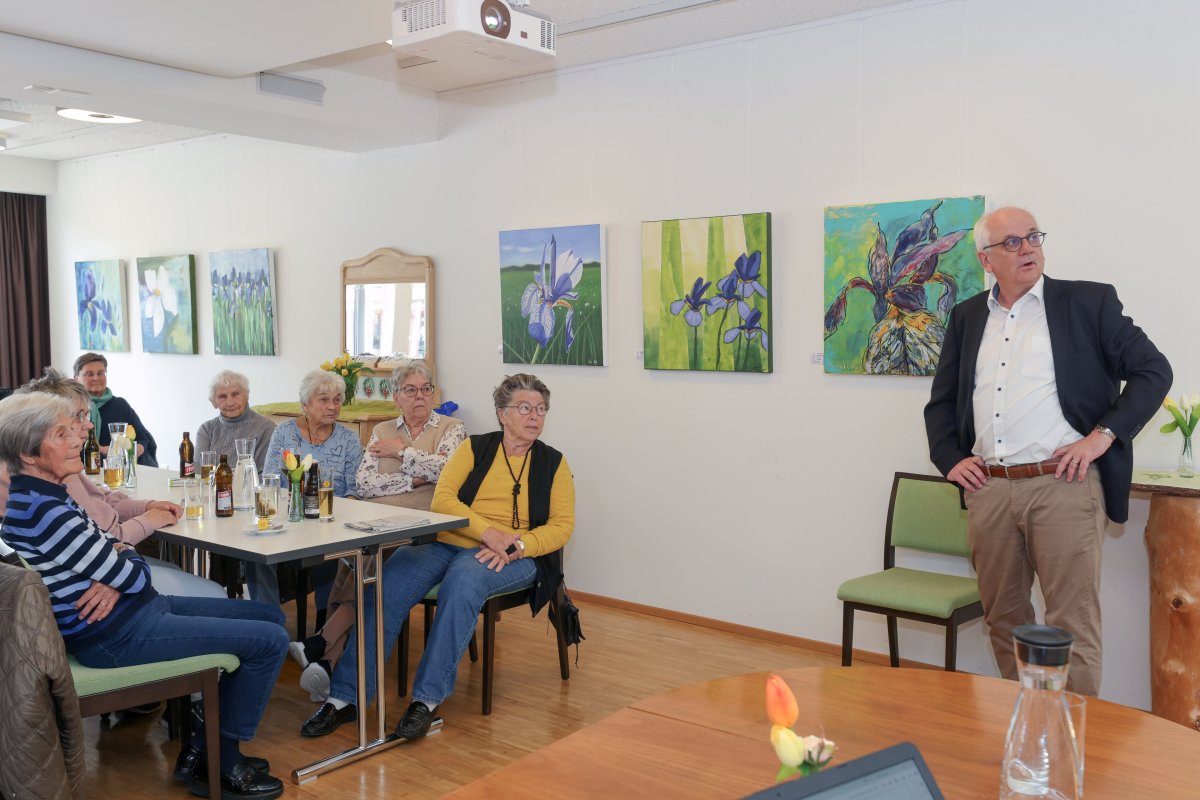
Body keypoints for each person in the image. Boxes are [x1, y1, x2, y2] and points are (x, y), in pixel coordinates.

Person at [924, 206, 1171, 696]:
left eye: (1033, 236)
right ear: (986, 260)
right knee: (1003, 619)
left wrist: (1102, 435)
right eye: (1011, 242)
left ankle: (1070, 734)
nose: (1027, 248)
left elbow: (1153, 371)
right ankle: (1026, 725)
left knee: (1070, 625)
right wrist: (950, 458)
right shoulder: (967, 316)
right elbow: (942, 402)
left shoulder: (1088, 302)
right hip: (991, 490)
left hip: (1063, 485)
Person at [0, 393, 289, 800]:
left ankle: (199, 750)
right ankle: (220, 763)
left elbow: (116, 553)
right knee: (270, 640)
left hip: (133, 613)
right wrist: (120, 566)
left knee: (268, 616)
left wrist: (116, 567)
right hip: (114, 635)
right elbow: (132, 574)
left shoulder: (47, 495)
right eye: (61, 434)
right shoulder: (43, 511)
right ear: (29, 454)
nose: (78, 438)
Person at [300, 373, 574, 740]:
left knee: (463, 581)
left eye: (541, 409)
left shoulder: (554, 464)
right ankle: (345, 697)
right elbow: (443, 500)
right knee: (388, 581)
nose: (534, 416)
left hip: (514, 555)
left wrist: (518, 545)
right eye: (524, 408)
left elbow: (562, 526)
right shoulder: (474, 448)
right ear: (502, 413)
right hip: (450, 541)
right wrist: (487, 532)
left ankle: (426, 700)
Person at [290, 360, 466, 703]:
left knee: (368, 559)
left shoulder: (452, 428)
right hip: (381, 521)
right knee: (358, 555)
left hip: (427, 527)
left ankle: (324, 646)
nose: (420, 396)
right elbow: (366, 484)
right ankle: (327, 663)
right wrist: (415, 478)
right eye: (410, 390)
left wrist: (402, 452)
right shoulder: (382, 430)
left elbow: (447, 470)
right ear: (396, 397)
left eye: (426, 389)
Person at [0, 369, 223, 598]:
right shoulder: (51, 485)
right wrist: (147, 522)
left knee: (174, 570)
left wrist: (146, 506)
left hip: (108, 561)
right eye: (77, 417)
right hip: (105, 571)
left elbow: (103, 500)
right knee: (209, 590)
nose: (89, 425)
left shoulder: (54, 476)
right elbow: (110, 543)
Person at [248, 371, 364, 609]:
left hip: (330, 523)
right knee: (256, 554)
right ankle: (269, 618)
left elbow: (354, 491)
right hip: (288, 520)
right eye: (324, 400)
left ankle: (325, 620)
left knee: (328, 551)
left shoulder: (349, 439)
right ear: (305, 404)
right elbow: (270, 480)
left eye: (337, 400)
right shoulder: (284, 432)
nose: (332, 406)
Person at [74, 352, 158, 467]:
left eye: (100, 373)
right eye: (90, 374)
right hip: (81, 469)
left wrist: (131, 450)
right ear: (76, 378)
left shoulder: (120, 405)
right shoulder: (72, 408)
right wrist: (97, 450)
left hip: (118, 468)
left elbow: (142, 437)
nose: (96, 378)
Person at [196, 370, 276, 471]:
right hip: (211, 482)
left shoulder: (266, 429)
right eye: (222, 396)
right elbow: (198, 472)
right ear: (213, 402)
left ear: (246, 397)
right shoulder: (206, 430)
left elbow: (265, 474)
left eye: (235, 394)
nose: (230, 403)